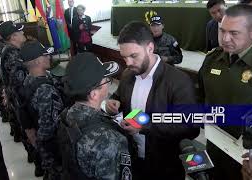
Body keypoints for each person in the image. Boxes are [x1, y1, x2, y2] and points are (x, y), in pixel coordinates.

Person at [105, 21, 200, 180]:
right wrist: (113, 103)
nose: (127, 63)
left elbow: (191, 127)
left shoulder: (179, 81)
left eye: (133, 56)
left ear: (150, 48)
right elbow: (119, 98)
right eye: (124, 57)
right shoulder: (128, 74)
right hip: (133, 159)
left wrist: (145, 126)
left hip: (165, 165)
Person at [198, 4, 252, 180]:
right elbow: (202, 95)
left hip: (251, 154)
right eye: (222, 31)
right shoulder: (212, 59)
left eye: (234, 33)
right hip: (216, 142)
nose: (225, 39)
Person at [59, 52, 132, 180]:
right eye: (106, 81)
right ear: (93, 94)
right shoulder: (109, 139)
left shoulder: (67, 114)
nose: (109, 84)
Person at [0, 21, 40, 174]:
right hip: (21, 101)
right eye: (20, 33)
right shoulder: (13, 55)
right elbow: (22, 83)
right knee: (30, 132)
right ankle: (39, 164)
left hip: (16, 99)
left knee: (26, 131)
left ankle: (35, 159)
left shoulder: (8, 50)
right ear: (13, 37)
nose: (23, 34)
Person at [20, 41, 63, 179]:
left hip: (41, 141)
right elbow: (49, 127)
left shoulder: (29, 79)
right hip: (51, 147)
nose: (49, 57)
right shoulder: (45, 90)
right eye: (46, 55)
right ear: (38, 61)